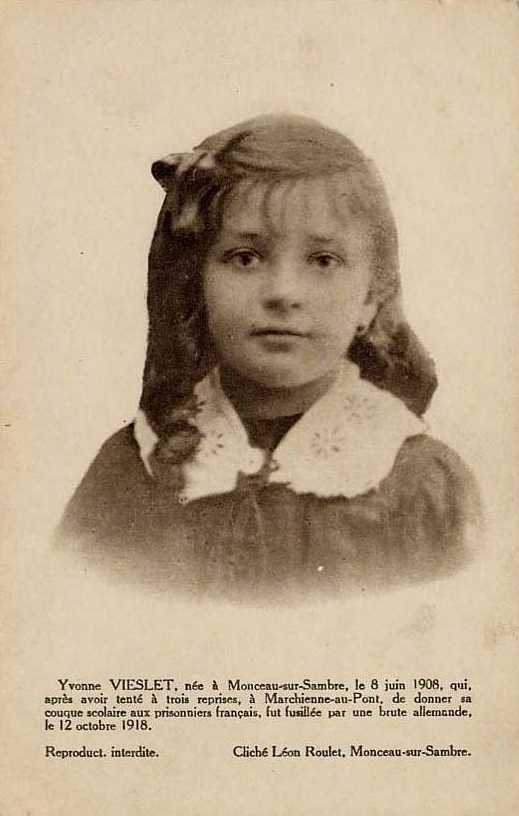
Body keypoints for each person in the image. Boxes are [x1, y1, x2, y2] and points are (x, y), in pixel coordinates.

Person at [56, 114, 482, 601]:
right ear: (196, 281)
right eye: (245, 257)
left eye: (323, 261)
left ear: (370, 298)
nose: (283, 293)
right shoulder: (131, 469)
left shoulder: (426, 486)